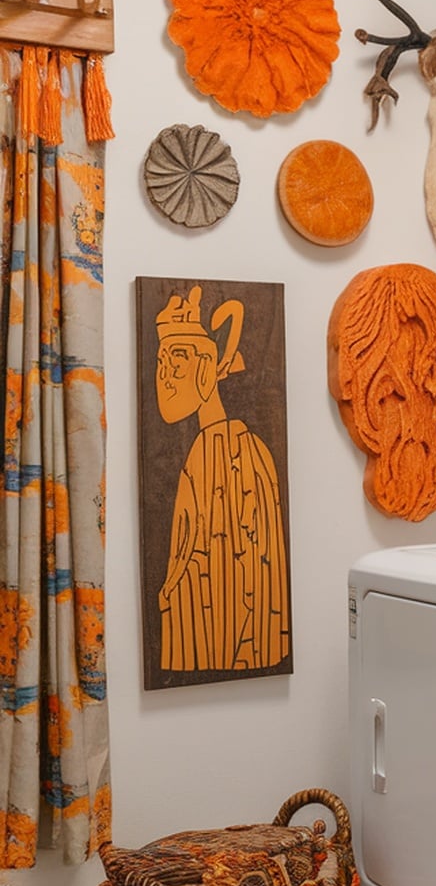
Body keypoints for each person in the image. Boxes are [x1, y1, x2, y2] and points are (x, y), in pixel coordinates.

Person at [155, 285, 290, 673]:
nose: (165, 376)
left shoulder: (224, 448)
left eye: (178, 360)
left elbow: (226, 557)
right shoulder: (223, 446)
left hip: (221, 635)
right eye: (162, 362)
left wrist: (171, 589)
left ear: (207, 366)